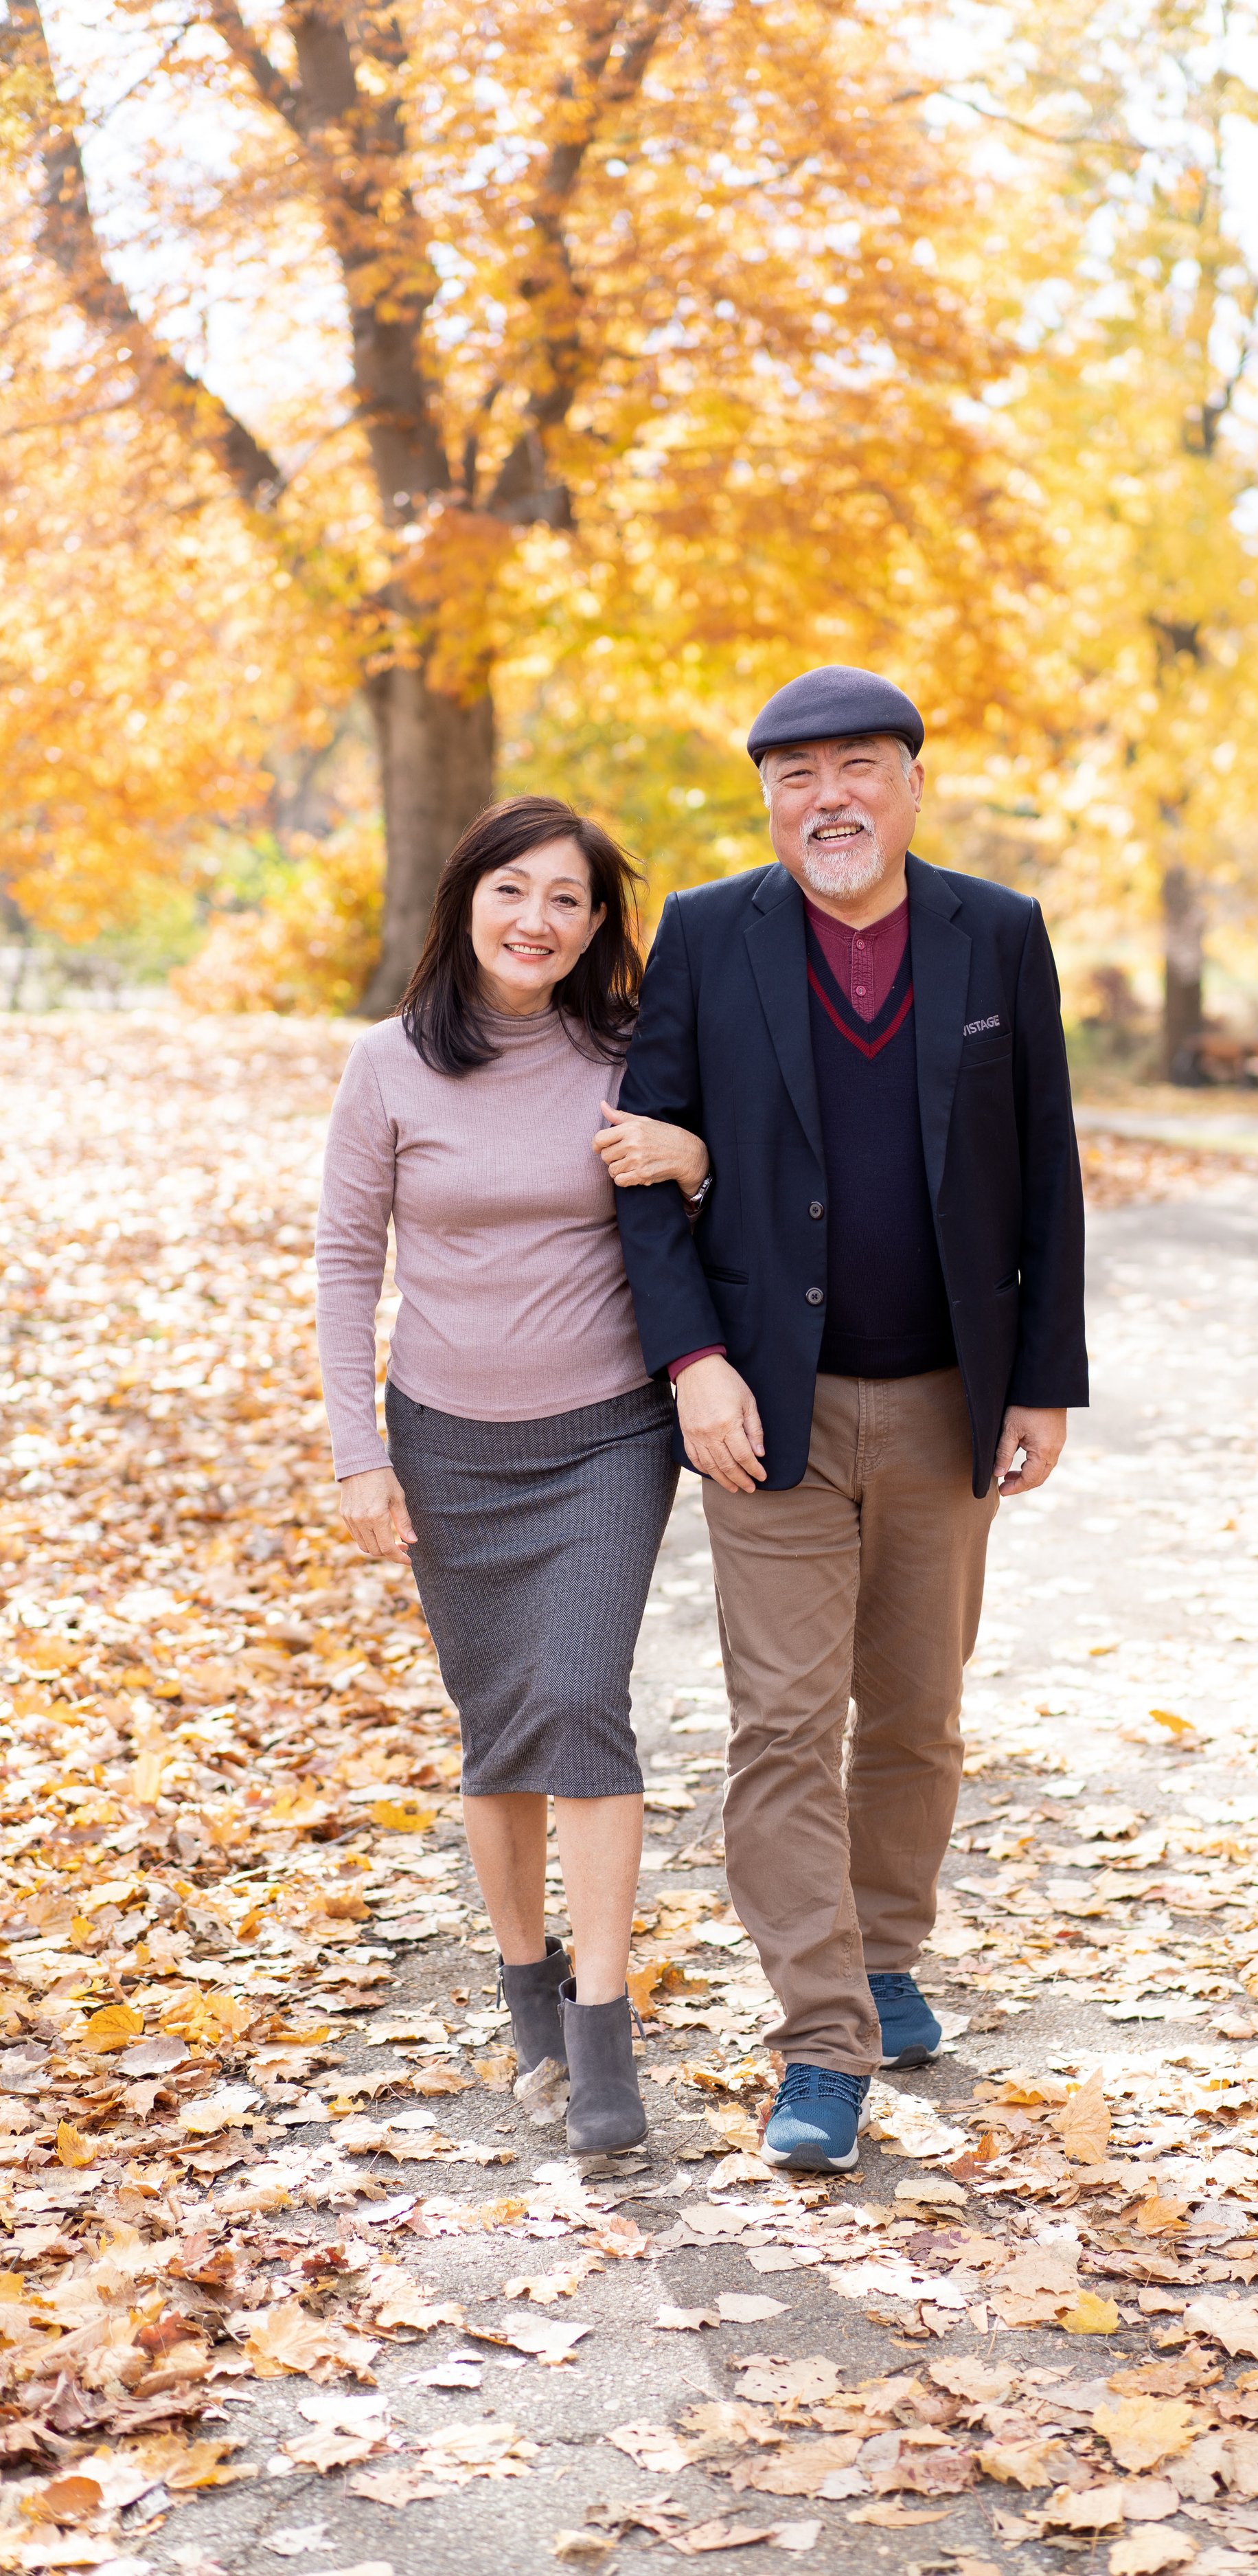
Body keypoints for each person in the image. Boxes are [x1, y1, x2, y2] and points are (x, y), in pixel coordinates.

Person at [615, 665, 1088, 2172]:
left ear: (909, 783)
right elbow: (640, 1175)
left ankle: (883, 1959)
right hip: (770, 1408)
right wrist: (691, 1365)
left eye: (856, 768)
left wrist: (1041, 1378)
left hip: (951, 1395)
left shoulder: (995, 935)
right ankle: (819, 2046)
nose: (827, 797)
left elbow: (1047, 1166)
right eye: (792, 774)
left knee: (918, 1714)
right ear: (766, 800)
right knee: (779, 1725)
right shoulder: (703, 934)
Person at [314, 795, 710, 2158]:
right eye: (513, 891)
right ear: (465, 900)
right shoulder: (387, 1067)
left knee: (577, 1698)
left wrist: (694, 1155)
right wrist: (358, 1454)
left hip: (606, 1431)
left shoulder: (629, 1051)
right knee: (498, 1730)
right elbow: (345, 1262)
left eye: (567, 900)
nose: (537, 920)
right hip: (444, 1438)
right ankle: (522, 1980)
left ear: (597, 925)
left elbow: (721, 1192)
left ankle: (601, 2032)